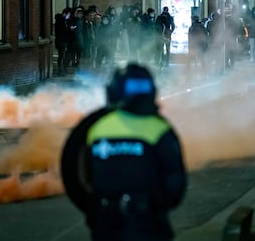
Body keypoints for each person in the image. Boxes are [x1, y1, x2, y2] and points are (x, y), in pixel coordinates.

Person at [61, 63, 187, 241]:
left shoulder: (95, 128)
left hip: (105, 225)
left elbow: (76, 176)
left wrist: (95, 208)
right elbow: (176, 184)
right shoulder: (160, 129)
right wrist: (153, 206)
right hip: (149, 226)